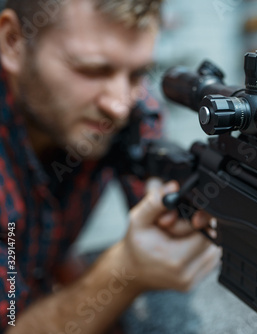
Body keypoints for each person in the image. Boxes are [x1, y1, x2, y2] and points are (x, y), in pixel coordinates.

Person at [0, 0, 220, 332]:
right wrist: (124, 271)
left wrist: (186, 214)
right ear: (13, 42)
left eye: (138, 74)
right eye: (92, 70)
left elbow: (161, 197)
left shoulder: (130, 107)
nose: (119, 105)